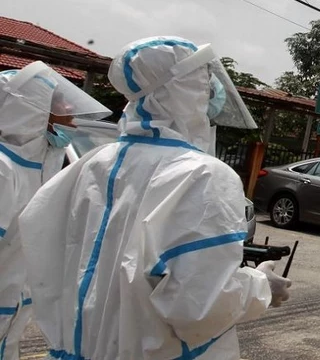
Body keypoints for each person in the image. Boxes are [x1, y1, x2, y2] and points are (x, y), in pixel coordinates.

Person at [18, 37, 290, 360]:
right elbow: (198, 307)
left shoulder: (91, 164)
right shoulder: (205, 175)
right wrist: (260, 287)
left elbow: (43, 256)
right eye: (204, 82)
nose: (212, 92)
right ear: (181, 91)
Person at [1, 63, 112, 360]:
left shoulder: (36, 165)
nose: (68, 106)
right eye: (58, 101)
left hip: (11, 307)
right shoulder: (3, 168)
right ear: (33, 110)